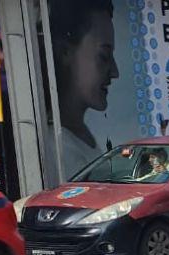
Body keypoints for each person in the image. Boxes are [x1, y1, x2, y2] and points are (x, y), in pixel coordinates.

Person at [48, 0, 119, 178]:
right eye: (103, 56)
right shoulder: (57, 146)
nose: (115, 72)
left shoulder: (76, 137)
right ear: (64, 51)